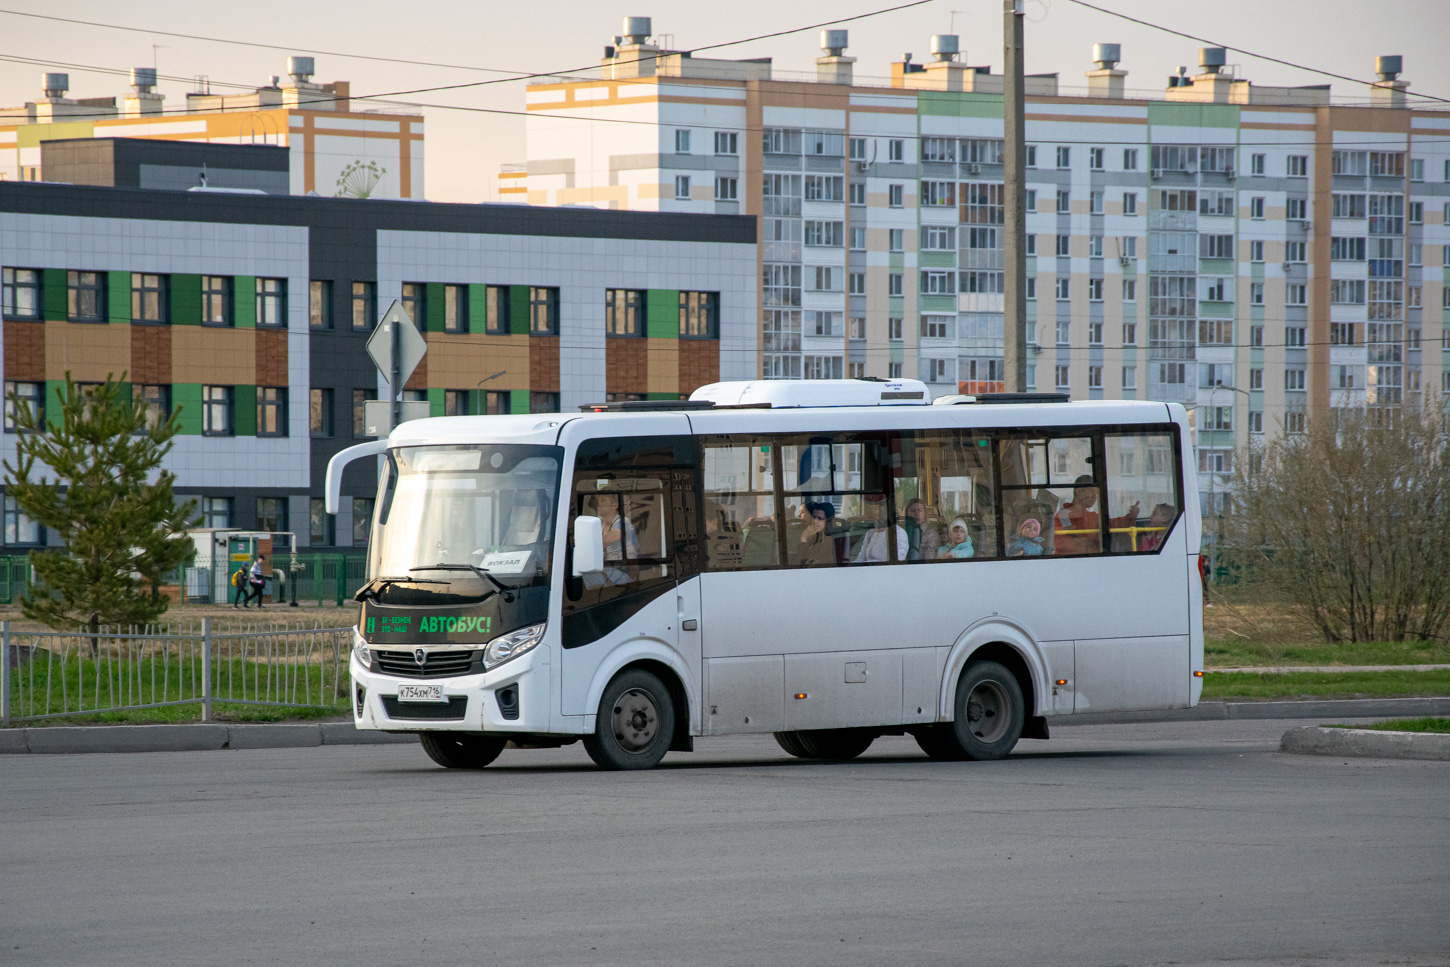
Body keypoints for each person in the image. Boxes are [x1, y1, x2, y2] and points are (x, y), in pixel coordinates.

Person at [1053, 475, 1139, 556]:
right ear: (1079, 491)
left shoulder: (1091, 516)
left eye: (1096, 493)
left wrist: (1131, 516)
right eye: (1091, 491)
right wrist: (1090, 542)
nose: (1095, 496)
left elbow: (1112, 524)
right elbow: (1062, 542)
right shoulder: (1064, 515)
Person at [593, 493, 637, 586]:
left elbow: (603, 543)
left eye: (603, 500)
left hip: (623, 570)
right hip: (608, 568)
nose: (598, 504)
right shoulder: (601, 524)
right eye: (598, 500)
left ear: (614, 505)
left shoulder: (622, 522)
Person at [853, 494, 907, 563]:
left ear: (889, 509)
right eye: (875, 505)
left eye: (881, 505)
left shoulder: (898, 533)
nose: (877, 508)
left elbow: (897, 561)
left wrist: (868, 564)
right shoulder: (870, 533)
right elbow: (860, 558)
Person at [794, 501, 837, 567]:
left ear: (828, 521)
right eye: (814, 517)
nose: (815, 521)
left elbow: (802, 563)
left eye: (820, 518)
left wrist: (804, 538)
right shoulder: (815, 536)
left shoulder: (832, 539)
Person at [903, 498, 942, 562]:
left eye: (920, 510)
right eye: (913, 511)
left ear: (925, 513)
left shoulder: (931, 535)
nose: (916, 514)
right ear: (906, 513)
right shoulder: (901, 533)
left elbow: (929, 560)